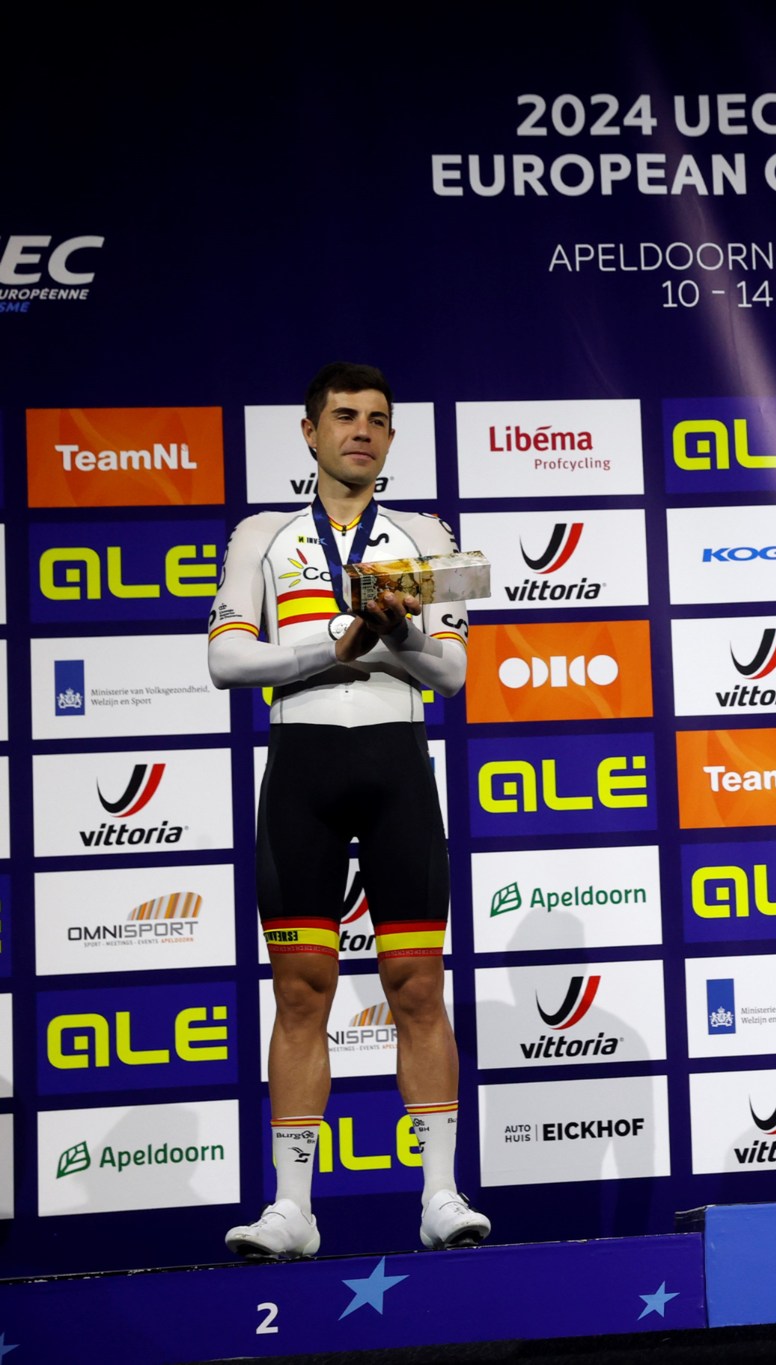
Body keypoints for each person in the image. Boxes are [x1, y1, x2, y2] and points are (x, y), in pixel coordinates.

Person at [210, 362, 489, 1257]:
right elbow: (227, 661)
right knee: (302, 991)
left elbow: (450, 674)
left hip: (396, 764)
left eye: (376, 419)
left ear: (391, 439)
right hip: (302, 767)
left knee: (417, 985)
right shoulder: (262, 535)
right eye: (343, 417)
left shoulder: (425, 536)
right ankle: (294, 1209)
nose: (360, 431)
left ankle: (440, 1194)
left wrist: (397, 628)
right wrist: (339, 643)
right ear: (309, 432)